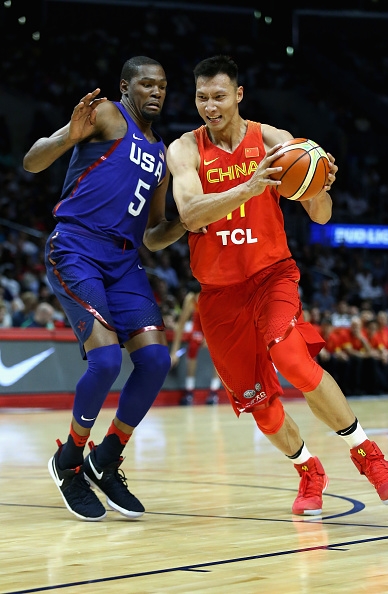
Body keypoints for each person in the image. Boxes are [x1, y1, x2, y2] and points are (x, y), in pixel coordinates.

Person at [166, 55, 388, 516]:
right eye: (202, 97)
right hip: (219, 294)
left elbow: (322, 214)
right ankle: (309, 471)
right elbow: (190, 214)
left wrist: (317, 186)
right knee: (261, 406)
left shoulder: (275, 141)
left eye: (219, 96)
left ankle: (370, 458)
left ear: (238, 95)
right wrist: (249, 188)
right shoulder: (184, 150)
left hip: (270, 276)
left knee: (293, 359)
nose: (210, 106)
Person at [23, 56, 186, 521]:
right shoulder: (109, 115)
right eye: (147, 84)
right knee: (107, 359)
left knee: (156, 360)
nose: (156, 91)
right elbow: (32, 162)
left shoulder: (162, 153)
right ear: (126, 87)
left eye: (163, 85)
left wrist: (188, 223)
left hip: (124, 260)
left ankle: (106, 455)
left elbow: (153, 234)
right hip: (76, 247)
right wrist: (66, 138)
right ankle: (70, 458)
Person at [169, 284, 222, 405]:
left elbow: (218, 321)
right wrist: (174, 352)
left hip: (212, 327)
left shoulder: (212, 295)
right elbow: (181, 325)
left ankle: (214, 391)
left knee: (218, 353)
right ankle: (189, 390)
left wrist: (209, 338)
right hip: (198, 327)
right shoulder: (190, 299)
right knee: (192, 348)